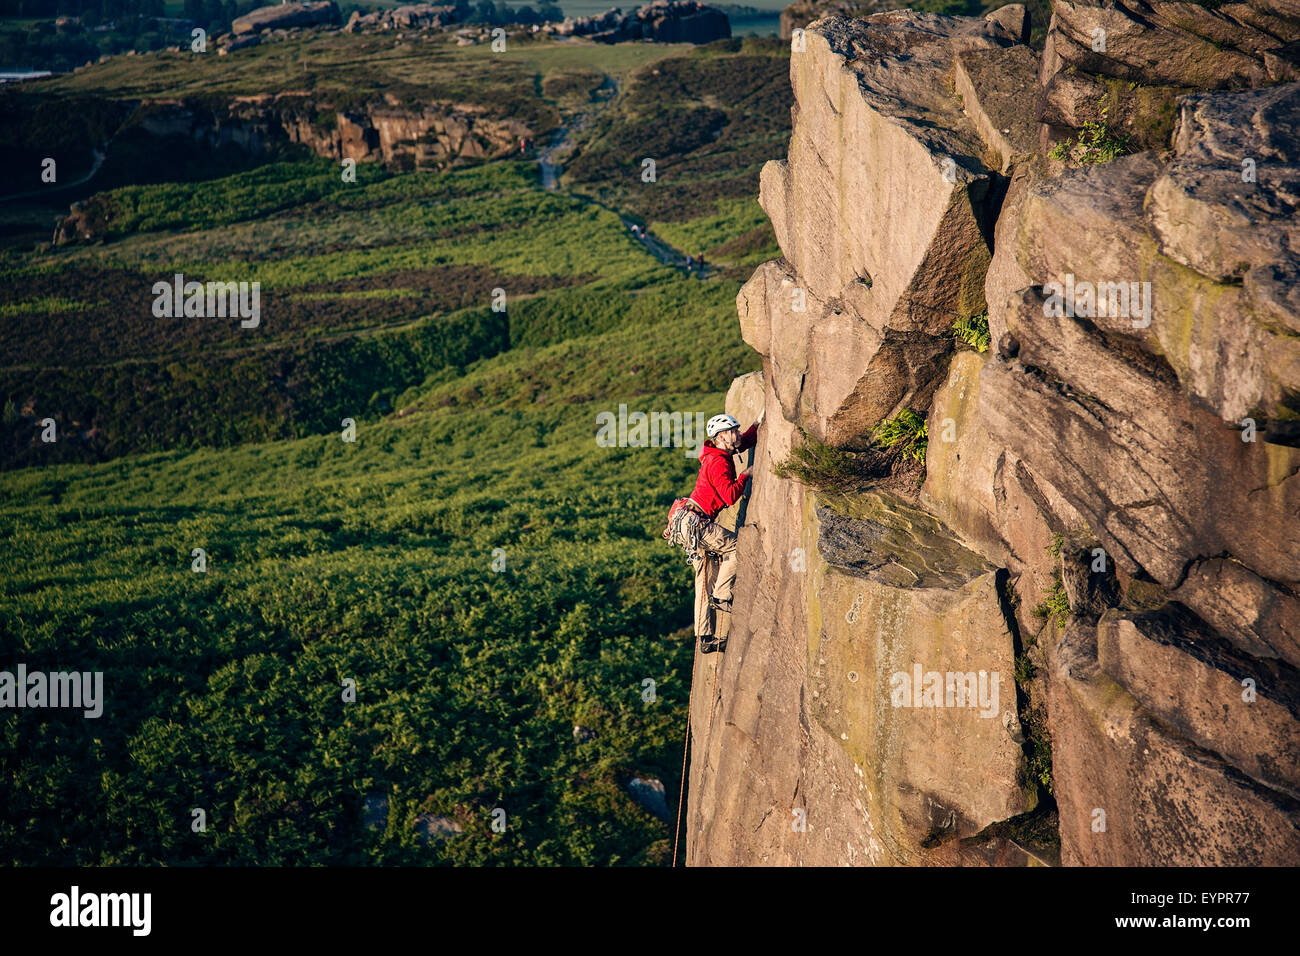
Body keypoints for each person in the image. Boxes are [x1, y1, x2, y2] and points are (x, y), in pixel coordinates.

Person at [664, 412, 760, 653]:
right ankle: (722, 595)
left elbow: (744, 441)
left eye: (737, 430)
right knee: (737, 547)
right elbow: (729, 495)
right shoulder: (717, 462)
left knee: (704, 578)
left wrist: (758, 423)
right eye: (733, 431)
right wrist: (745, 475)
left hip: (689, 523)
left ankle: (705, 637)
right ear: (721, 437)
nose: (737, 434)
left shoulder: (716, 454)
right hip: (697, 523)